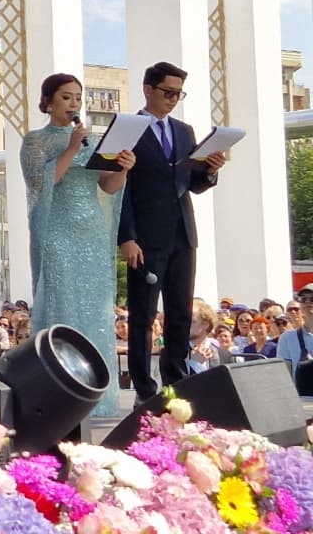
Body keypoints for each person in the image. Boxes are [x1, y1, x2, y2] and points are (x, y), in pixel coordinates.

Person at [20, 73, 135, 416]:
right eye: (66, 97)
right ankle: (60, 390)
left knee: (95, 312)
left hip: (92, 232)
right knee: (62, 303)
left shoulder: (94, 140)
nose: (74, 104)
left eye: (77, 98)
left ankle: (95, 393)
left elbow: (107, 186)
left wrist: (123, 168)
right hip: (56, 231)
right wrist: (71, 148)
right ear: (48, 102)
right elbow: (41, 184)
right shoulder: (36, 140)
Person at [119, 62, 226, 407]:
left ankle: (176, 382)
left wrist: (210, 171)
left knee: (180, 312)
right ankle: (144, 388)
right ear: (148, 89)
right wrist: (126, 237)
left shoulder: (183, 131)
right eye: (168, 92)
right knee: (143, 315)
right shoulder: (127, 129)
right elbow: (121, 190)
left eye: (179, 94)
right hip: (145, 237)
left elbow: (191, 183)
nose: (173, 99)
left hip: (183, 233)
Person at [276, 285, 313, 388]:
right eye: (303, 299)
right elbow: (284, 378)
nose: (308, 302)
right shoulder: (287, 339)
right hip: (302, 396)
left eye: (312, 298)